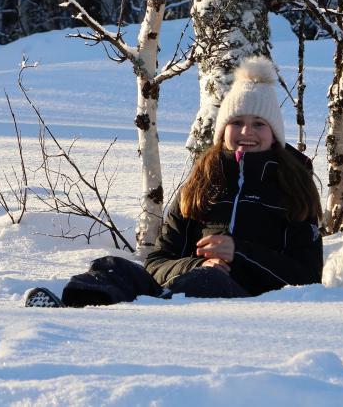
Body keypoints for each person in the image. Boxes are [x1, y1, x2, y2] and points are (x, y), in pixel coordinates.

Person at [24, 55, 323, 307]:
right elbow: (157, 262)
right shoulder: (202, 181)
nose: (247, 132)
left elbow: (308, 277)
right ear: (222, 130)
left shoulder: (294, 188)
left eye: (259, 124)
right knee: (112, 267)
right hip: (185, 288)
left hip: (248, 306)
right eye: (236, 122)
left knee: (209, 281)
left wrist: (239, 253)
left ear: (275, 133)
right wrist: (197, 265)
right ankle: (67, 315)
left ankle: (148, 312)